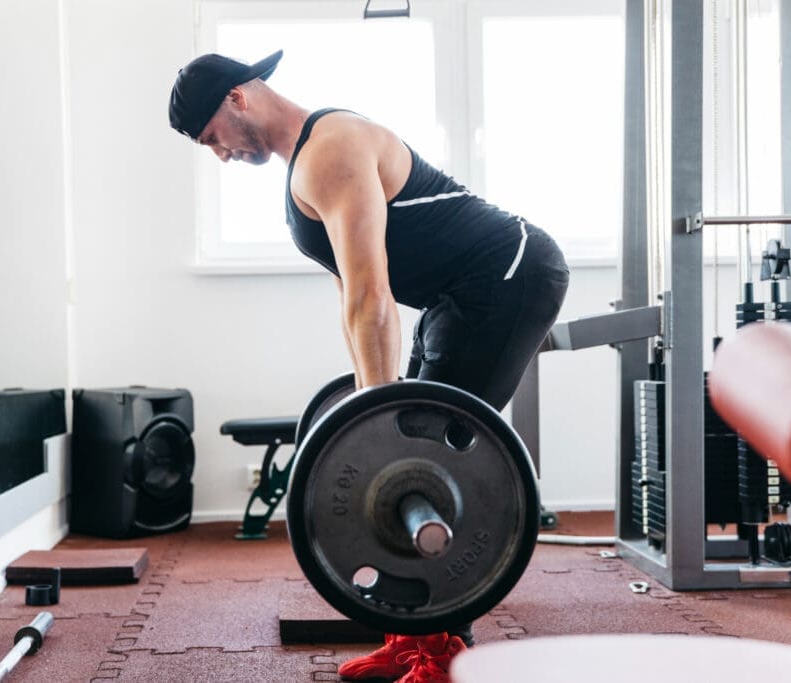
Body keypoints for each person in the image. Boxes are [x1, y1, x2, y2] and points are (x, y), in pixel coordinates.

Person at [169, 49, 569, 683]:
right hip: (455, 294)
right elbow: (349, 295)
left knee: (428, 462)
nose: (219, 154)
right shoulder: (302, 164)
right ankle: (410, 638)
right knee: (410, 439)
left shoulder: (330, 147)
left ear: (237, 99)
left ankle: (443, 656)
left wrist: (380, 426)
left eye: (212, 138)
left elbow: (371, 294)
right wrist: (369, 404)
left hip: (510, 274)